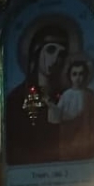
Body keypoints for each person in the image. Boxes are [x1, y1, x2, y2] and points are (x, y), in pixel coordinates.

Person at [6, 24, 70, 165]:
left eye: (61, 54)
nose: (55, 59)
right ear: (37, 51)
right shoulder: (16, 98)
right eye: (51, 50)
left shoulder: (67, 95)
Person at [47, 58, 94, 161]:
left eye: (81, 74)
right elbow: (58, 116)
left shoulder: (89, 95)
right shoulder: (66, 95)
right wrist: (52, 108)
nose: (78, 78)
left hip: (85, 135)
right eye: (74, 74)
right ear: (70, 76)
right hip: (68, 135)